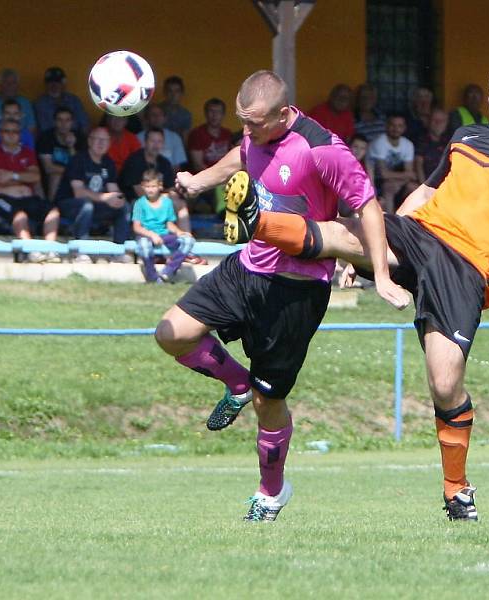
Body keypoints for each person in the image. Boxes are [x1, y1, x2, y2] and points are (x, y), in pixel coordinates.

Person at [222, 55, 489, 521]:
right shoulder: (466, 137)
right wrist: (373, 249)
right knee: (340, 230)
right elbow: (426, 194)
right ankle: (258, 220)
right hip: (421, 236)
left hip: (465, 269)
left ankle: (456, 489)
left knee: (444, 384)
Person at [155, 70, 405, 522]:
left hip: (296, 290)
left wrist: (380, 274)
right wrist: (198, 181)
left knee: (267, 401)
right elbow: (240, 155)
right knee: (172, 333)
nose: (246, 131)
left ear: (285, 113)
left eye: (255, 123)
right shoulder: (254, 134)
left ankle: (272, 492)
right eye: (242, 121)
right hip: (247, 268)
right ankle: (235, 381)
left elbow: (367, 205)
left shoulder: (322, 149)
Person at [0, 117, 60, 262]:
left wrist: (12, 175)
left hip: (27, 198)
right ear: (0, 133)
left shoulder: (27, 152)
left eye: (15, 131)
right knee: (20, 215)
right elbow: (1, 180)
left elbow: (36, 176)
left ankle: (50, 250)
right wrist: (24, 177)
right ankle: (30, 251)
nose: (11, 134)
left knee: (53, 211)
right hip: (1, 199)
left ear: (20, 134)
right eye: (7, 131)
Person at [54, 127, 130, 262]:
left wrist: (119, 199)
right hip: (69, 203)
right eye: (98, 139)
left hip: (96, 205)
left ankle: (118, 251)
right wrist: (106, 197)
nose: (101, 143)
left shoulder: (108, 162)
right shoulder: (78, 159)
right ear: (89, 141)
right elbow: (79, 192)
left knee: (124, 207)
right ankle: (81, 251)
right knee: (87, 205)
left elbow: (114, 190)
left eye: (105, 140)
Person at [132, 169, 195, 283]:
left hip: (164, 235)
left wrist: (179, 232)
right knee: (144, 245)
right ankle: (152, 277)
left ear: (160, 186)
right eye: (147, 187)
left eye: (153, 186)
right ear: (143, 186)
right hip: (147, 235)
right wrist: (152, 235)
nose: (150, 190)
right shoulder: (140, 203)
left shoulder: (167, 202)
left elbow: (169, 224)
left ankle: (168, 271)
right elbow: (137, 227)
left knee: (188, 241)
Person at [187, 98, 232, 213]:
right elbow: (198, 165)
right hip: (204, 180)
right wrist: (216, 179)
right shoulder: (197, 134)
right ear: (205, 113)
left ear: (223, 115)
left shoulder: (227, 134)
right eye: (211, 111)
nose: (214, 115)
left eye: (218, 112)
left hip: (224, 180)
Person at [367, 114, 418, 213]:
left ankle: (412, 224)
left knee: (414, 188)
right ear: (386, 126)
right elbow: (383, 174)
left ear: (404, 128)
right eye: (393, 125)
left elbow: (410, 174)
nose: (396, 129)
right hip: (375, 182)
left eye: (400, 126)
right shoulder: (380, 142)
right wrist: (405, 175)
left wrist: (401, 178)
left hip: (397, 181)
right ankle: (390, 223)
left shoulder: (408, 144)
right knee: (389, 187)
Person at [36, 106, 85, 201]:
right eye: (60, 120)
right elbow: (48, 168)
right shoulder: (45, 138)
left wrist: (71, 146)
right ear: (54, 122)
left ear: (72, 122)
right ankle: (51, 208)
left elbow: (80, 166)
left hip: (74, 178)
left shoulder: (80, 138)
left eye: (67, 120)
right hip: (49, 179)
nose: (64, 124)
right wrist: (72, 171)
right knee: (56, 176)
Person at [33, 66, 90, 134]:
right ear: (46, 84)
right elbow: (41, 129)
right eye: (50, 82)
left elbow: (84, 125)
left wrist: (80, 141)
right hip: (49, 141)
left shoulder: (74, 100)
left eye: (57, 82)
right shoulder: (40, 104)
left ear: (64, 83)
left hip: (75, 139)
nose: (54, 85)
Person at [0, 68, 36, 134]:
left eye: (13, 83)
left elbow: (32, 131)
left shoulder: (26, 103)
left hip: (22, 142)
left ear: (18, 85)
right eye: (6, 82)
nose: (10, 86)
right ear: (0, 85)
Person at [137, 104, 187, 171]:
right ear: (147, 118)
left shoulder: (175, 137)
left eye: (160, 114)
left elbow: (177, 167)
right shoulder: (138, 137)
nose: (156, 117)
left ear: (165, 118)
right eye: (153, 114)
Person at [414, 107, 450, 183]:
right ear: (428, 121)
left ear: (446, 123)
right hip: (426, 183)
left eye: (442, 121)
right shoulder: (420, 140)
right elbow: (418, 165)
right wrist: (424, 187)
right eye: (435, 120)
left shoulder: (450, 141)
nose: (438, 123)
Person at [158, 76, 193, 140]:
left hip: (176, 148)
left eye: (177, 91)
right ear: (164, 92)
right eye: (170, 91)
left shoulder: (186, 115)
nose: (173, 95)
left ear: (181, 93)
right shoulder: (155, 111)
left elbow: (185, 139)